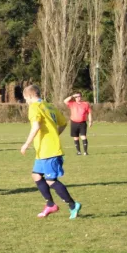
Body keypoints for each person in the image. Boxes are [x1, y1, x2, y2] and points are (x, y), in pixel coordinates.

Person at [21, 85, 81, 219]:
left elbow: (36, 126)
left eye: (26, 99)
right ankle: (50, 205)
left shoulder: (34, 107)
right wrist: (55, 135)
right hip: (43, 150)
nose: (26, 102)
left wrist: (26, 144)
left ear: (30, 96)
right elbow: (64, 122)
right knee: (36, 175)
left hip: (49, 150)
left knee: (50, 180)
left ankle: (72, 205)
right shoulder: (49, 106)